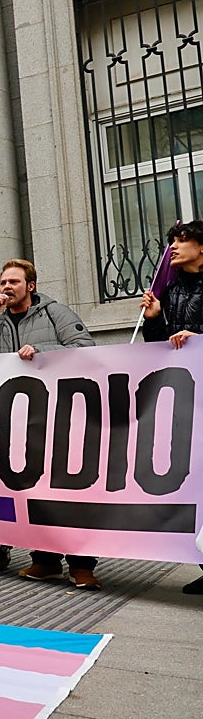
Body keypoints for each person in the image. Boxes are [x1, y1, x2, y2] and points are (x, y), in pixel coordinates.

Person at [0, 258, 99, 588]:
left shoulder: (55, 313)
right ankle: (44, 560)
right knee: (31, 492)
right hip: (19, 421)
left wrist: (41, 349)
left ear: (30, 286)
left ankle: (82, 564)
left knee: (67, 494)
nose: (6, 288)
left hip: (58, 416)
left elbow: (85, 348)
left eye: (13, 282)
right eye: (2, 283)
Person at [140, 220, 203, 594]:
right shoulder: (174, 290)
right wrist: (154, 319)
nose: (173, 248)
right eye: (172, 242)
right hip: (188, 395)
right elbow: (161, 345)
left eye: (182, 240)